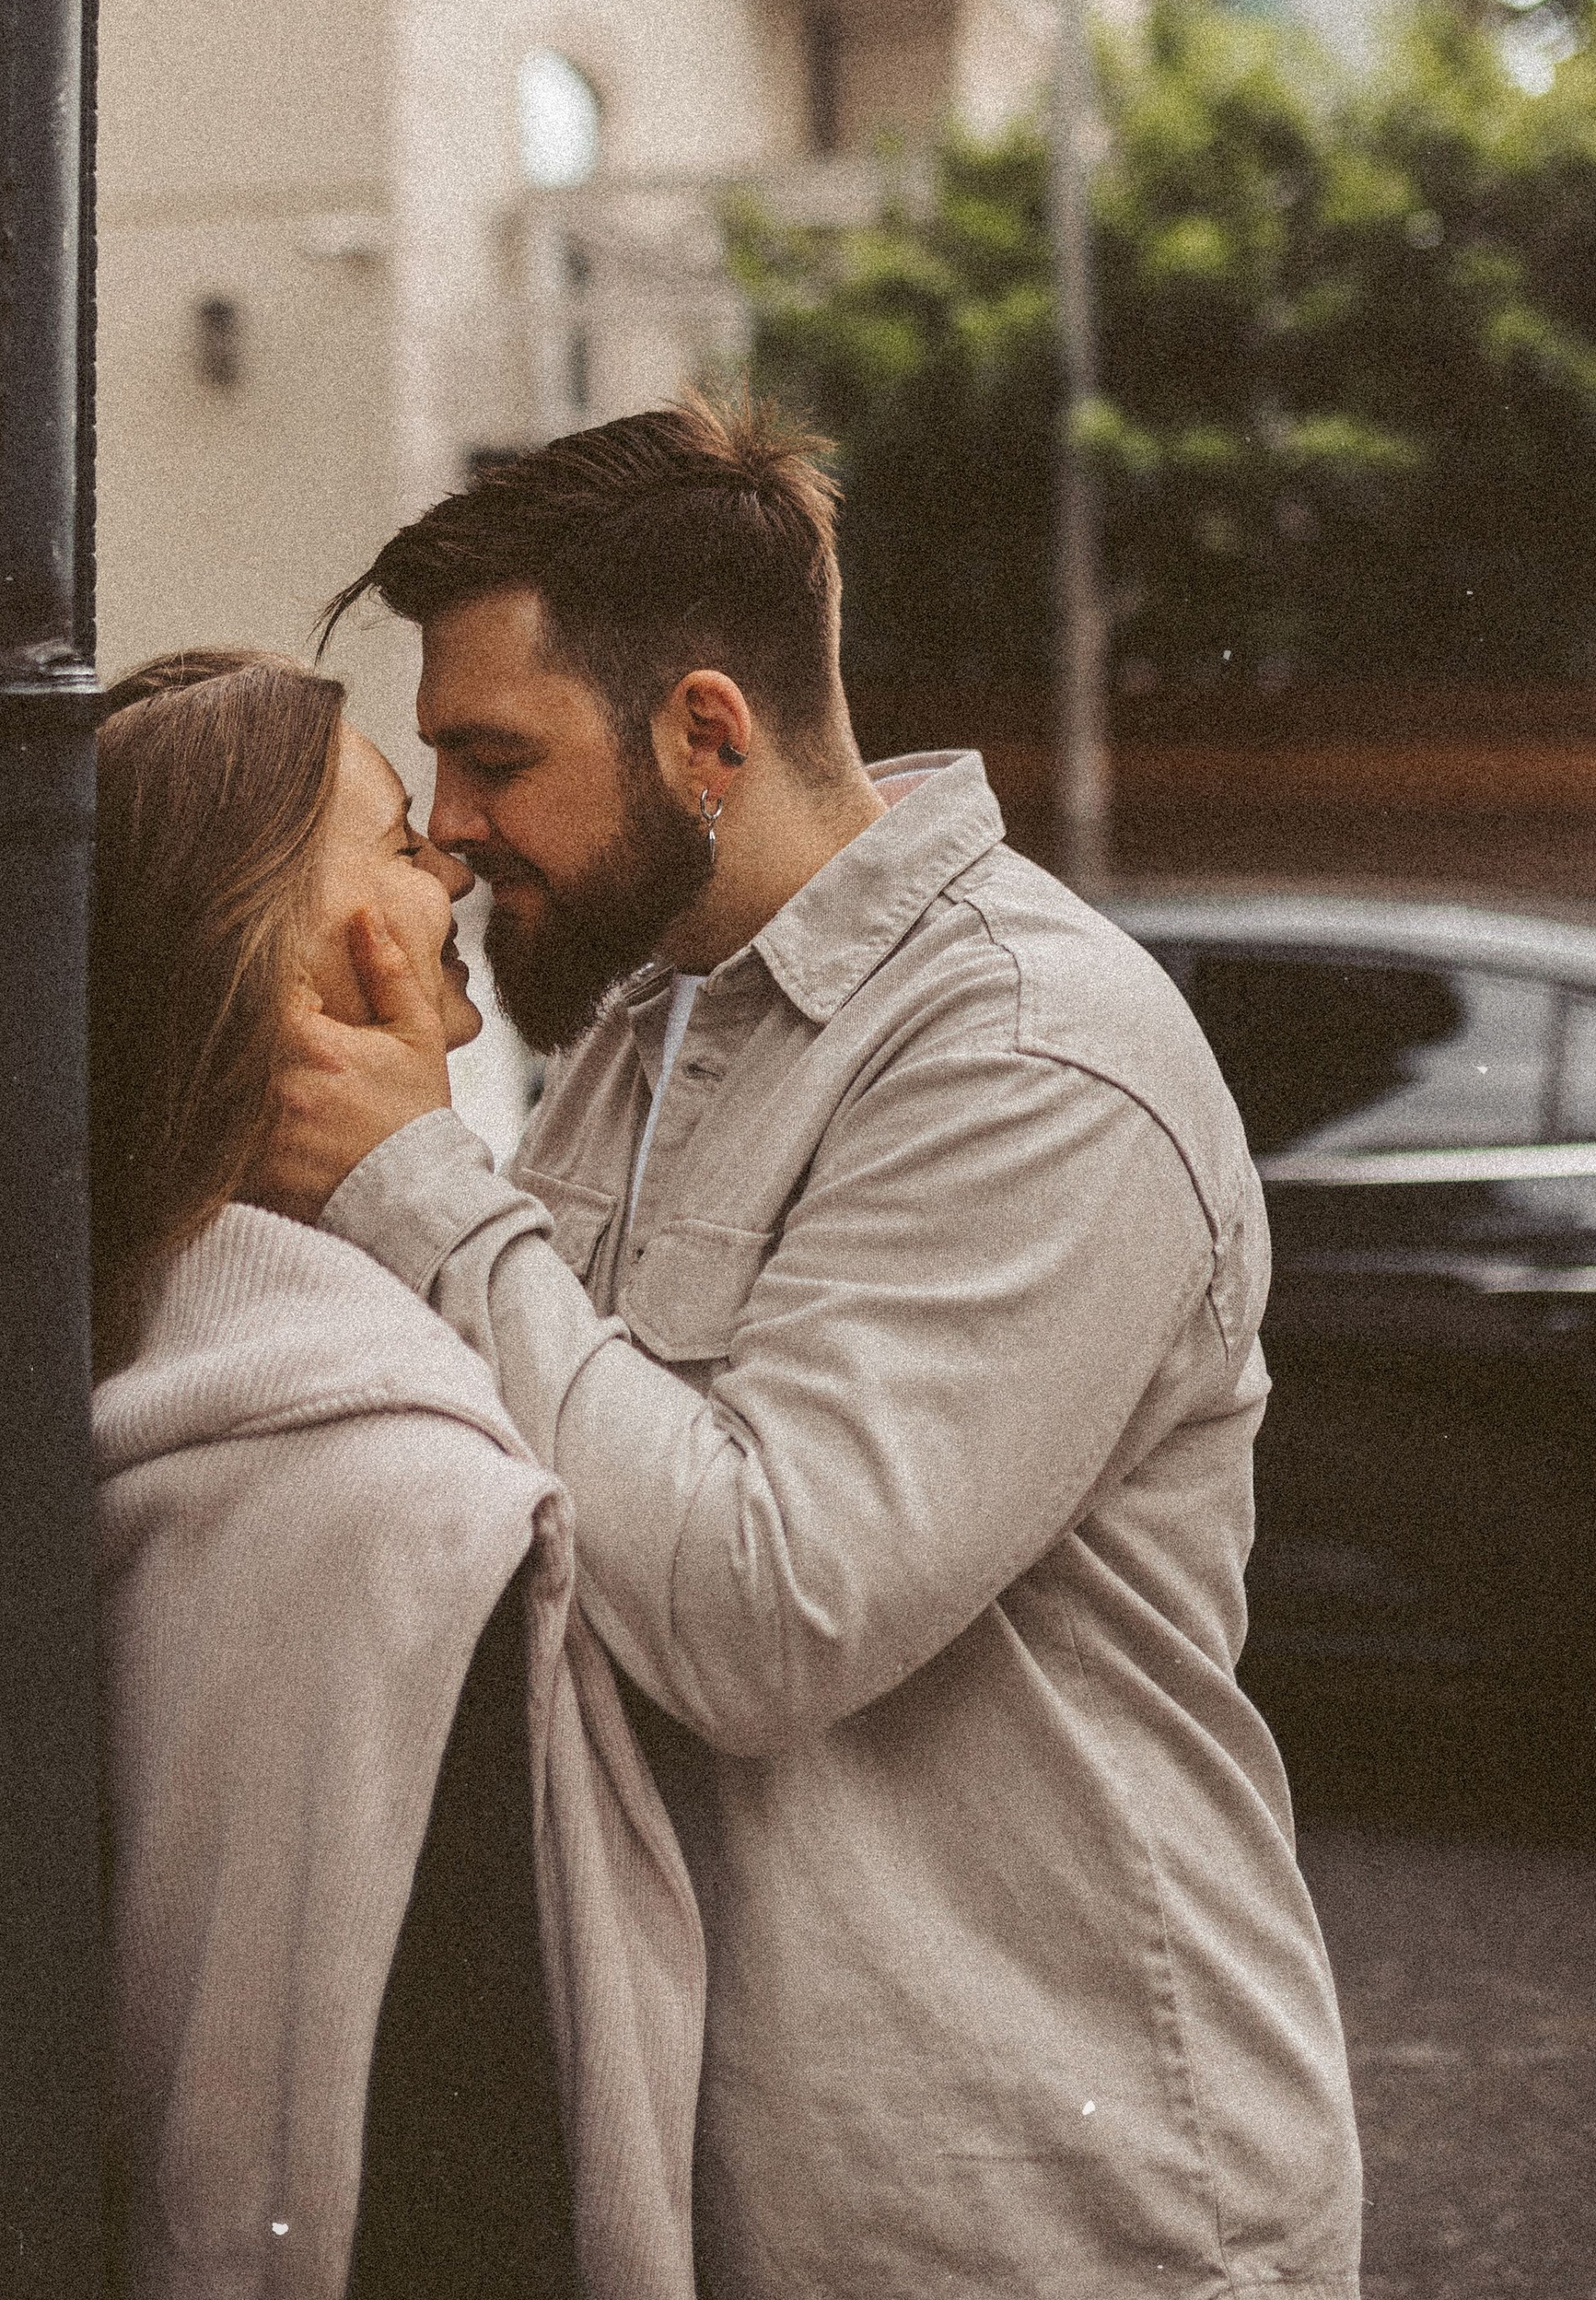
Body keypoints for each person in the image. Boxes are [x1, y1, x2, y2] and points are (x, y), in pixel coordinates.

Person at [255, 403, 1368, 2300]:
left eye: (492, 755)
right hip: (742, 2188)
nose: (447, 822)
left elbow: (763, 1615)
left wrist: (410, 1187)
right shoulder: (643, 1018)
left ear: (706, 731)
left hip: (1039, 2217)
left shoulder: (1028, 1054)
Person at [88, 648, 703, 2300]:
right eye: (391, 842)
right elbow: (470, 2116)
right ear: (291, 962)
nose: (450, 860)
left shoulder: (143, 1354)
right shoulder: (407, 1493)